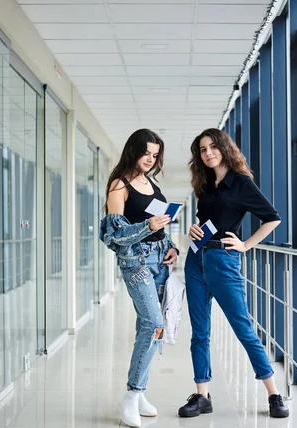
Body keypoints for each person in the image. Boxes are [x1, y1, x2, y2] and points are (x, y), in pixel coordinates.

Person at [178, 128, 289, 419]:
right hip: (196, 260)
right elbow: (206, 219)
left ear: (225, 148)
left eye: (213, 147)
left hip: (224, 261)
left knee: (243, 329)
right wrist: (194, 227)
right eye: (202, 149)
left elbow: (272, 218)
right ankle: (202, 396)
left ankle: (274, 394)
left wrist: (246, 245)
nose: (208, 153)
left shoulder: (241, 183)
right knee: (199, 333)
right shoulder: (204, 183)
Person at [99, 128, 179, 428]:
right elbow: (114, 235)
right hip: (136, 263)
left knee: (149, 329)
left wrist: (170, 246)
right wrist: (147, 227)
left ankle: (140, 389)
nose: (150, 159)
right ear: (133, 151)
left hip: (160, 259)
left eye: (155, 155)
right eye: (146, 153)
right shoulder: (119, 186)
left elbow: (160, 226)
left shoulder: (150, 182)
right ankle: (131, 396)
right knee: (154, 324)